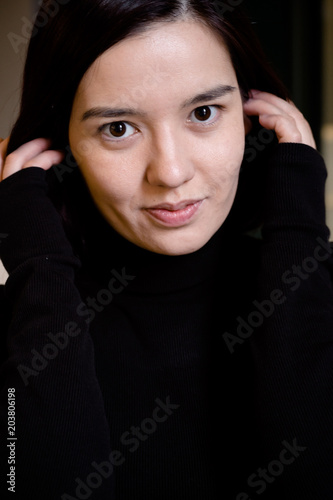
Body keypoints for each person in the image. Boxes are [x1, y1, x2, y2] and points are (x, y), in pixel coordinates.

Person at [0, 1, 332, 498]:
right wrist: (39, 267)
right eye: (118, 128)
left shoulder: (312, 293)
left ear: (249, 118)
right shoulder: (25, 320)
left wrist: (300, 235)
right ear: (62, 143)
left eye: (203, 113)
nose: (171, 172)